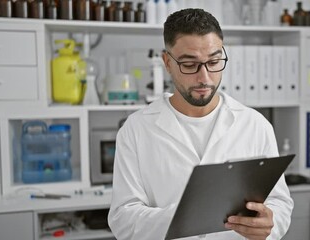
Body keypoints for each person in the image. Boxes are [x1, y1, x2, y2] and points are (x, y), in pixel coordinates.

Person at [108, 8, 293, 240]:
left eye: (214, 61)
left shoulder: (255, 125)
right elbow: (123, 219)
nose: (204, 78)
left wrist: (270, 224)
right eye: (189, 64)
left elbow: (279, 201)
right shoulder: (135, 130)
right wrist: (188, 217)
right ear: (167, 62)